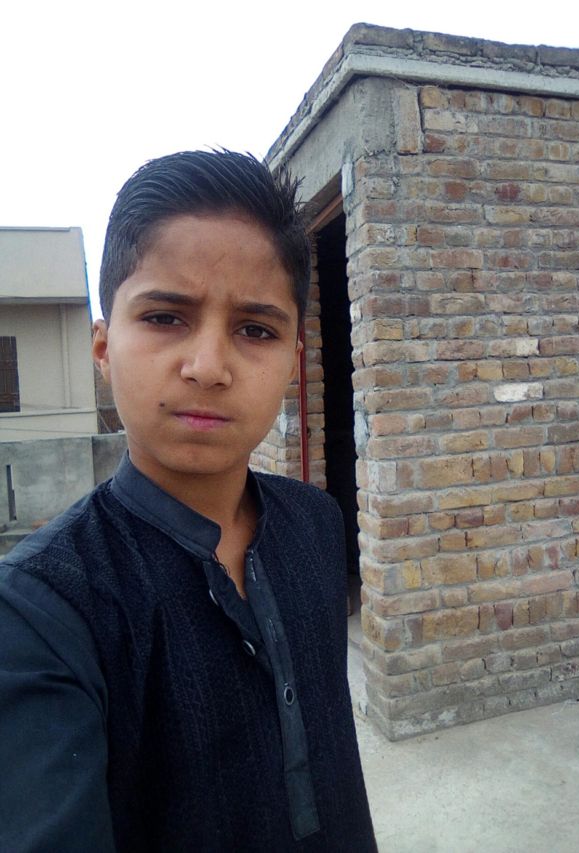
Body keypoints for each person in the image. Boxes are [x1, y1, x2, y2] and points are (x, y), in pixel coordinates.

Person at [0, 150, 376, 852]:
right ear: (104, 347)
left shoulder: (317, 524)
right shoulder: (40, 612)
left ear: (293, 359)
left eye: (256, 329)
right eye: (166, 316)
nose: (208, 367)